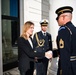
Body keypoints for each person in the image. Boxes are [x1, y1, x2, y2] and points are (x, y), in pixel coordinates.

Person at [55, 6, 76, 75]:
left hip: (68, 67)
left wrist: (63, 71)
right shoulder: (74, 29)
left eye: (58, 18)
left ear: (63, 17)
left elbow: (64, 54)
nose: (57, 20)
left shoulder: (63, 30)